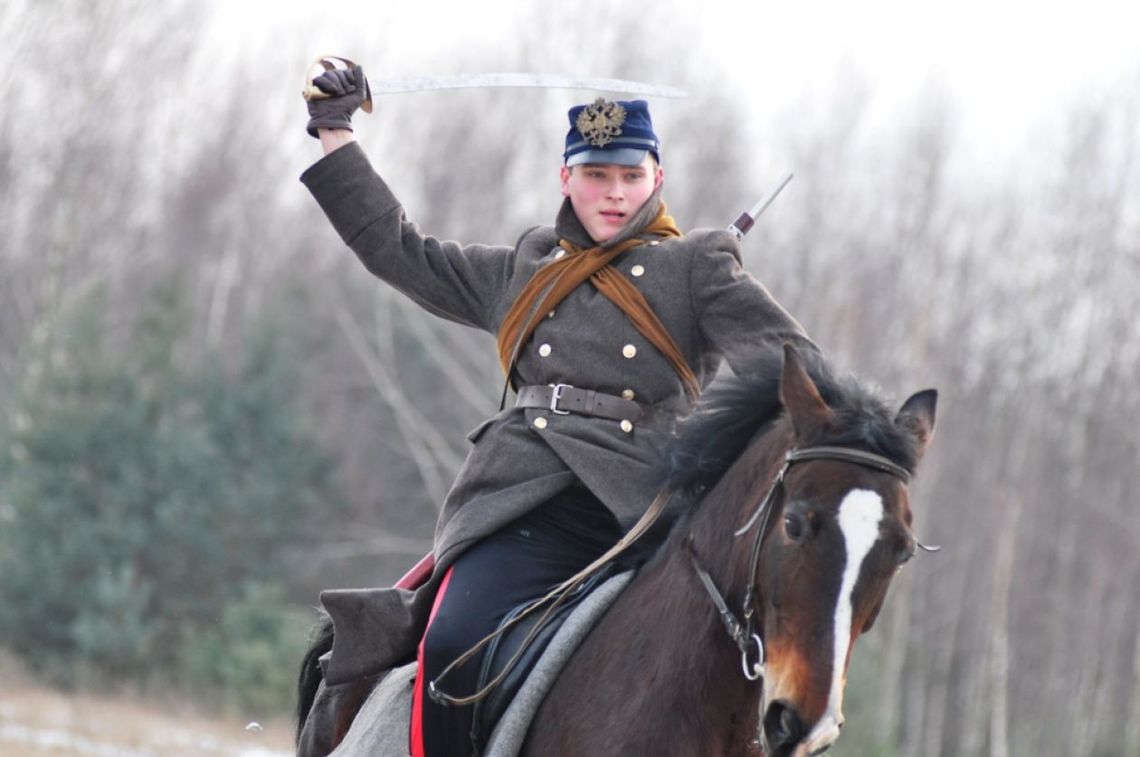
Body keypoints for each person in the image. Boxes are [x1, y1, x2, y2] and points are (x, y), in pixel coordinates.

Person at [299, 65, 817, 757]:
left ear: (656, 179)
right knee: (452, 643)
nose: (614, 192)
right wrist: (336, 132)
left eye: (630, 176)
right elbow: (399, 248)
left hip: (644, 513)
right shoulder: (526, 267)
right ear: (565, 177)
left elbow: (796, 368)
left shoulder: (698, 268)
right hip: (521, 506)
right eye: (597, 175)